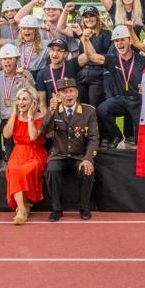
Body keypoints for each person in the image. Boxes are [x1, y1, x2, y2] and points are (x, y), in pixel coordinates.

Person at [41, 77, 100, 222]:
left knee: (87, 170)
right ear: (58, 95)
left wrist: (88, 158)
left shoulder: (88, 111)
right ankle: (56, 209)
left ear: (77, 92)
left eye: (71, 91)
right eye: (64, 92)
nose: (68, 95)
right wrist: (50, 111)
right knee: (52, 170)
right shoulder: (55, 110)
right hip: (59, 154)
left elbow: (94, 138)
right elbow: (44, 131)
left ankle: (84, 207)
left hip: (79, 155)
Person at [83, 25, 145, 149]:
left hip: (138, 102)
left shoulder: (142, 60)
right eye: (116, 41)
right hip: (121, 99)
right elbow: (92, 56)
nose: (119, 43)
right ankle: (117, 135)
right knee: (102, 109)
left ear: (129, 40)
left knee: (140, 141)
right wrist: (86, 40)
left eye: (122, 40)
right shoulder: (113, 59)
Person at [3, 86, 47, 224]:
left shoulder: (41, 117)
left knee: (26, 170)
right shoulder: (14, 116)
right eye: (18, 99)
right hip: (18, 152)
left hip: (35, 152)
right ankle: (22, 209)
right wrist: (14, 114)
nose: (20, 102)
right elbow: (6, 134)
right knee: (14, 170)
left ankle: (23, 207)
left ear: (33, 102)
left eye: (24, 99)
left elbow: (33, 137)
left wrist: (29, 117)